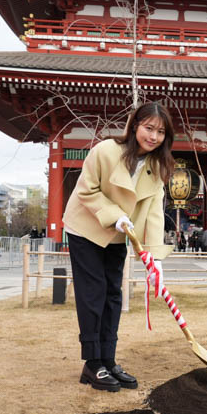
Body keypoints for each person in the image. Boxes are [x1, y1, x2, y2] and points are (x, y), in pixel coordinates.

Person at [62, 102, 175, 392]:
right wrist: (115, 216)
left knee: (114, 294)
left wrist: (154, 259)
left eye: (160, 132)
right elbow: (87, 189)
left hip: (117, 234)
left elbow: (153, 214)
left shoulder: (156, 167)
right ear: (135, 125)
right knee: (93, 292)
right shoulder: (106, 151)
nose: (153, 136)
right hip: (86, 228)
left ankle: (108, 359)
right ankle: (92, 363)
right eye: (149, 128)